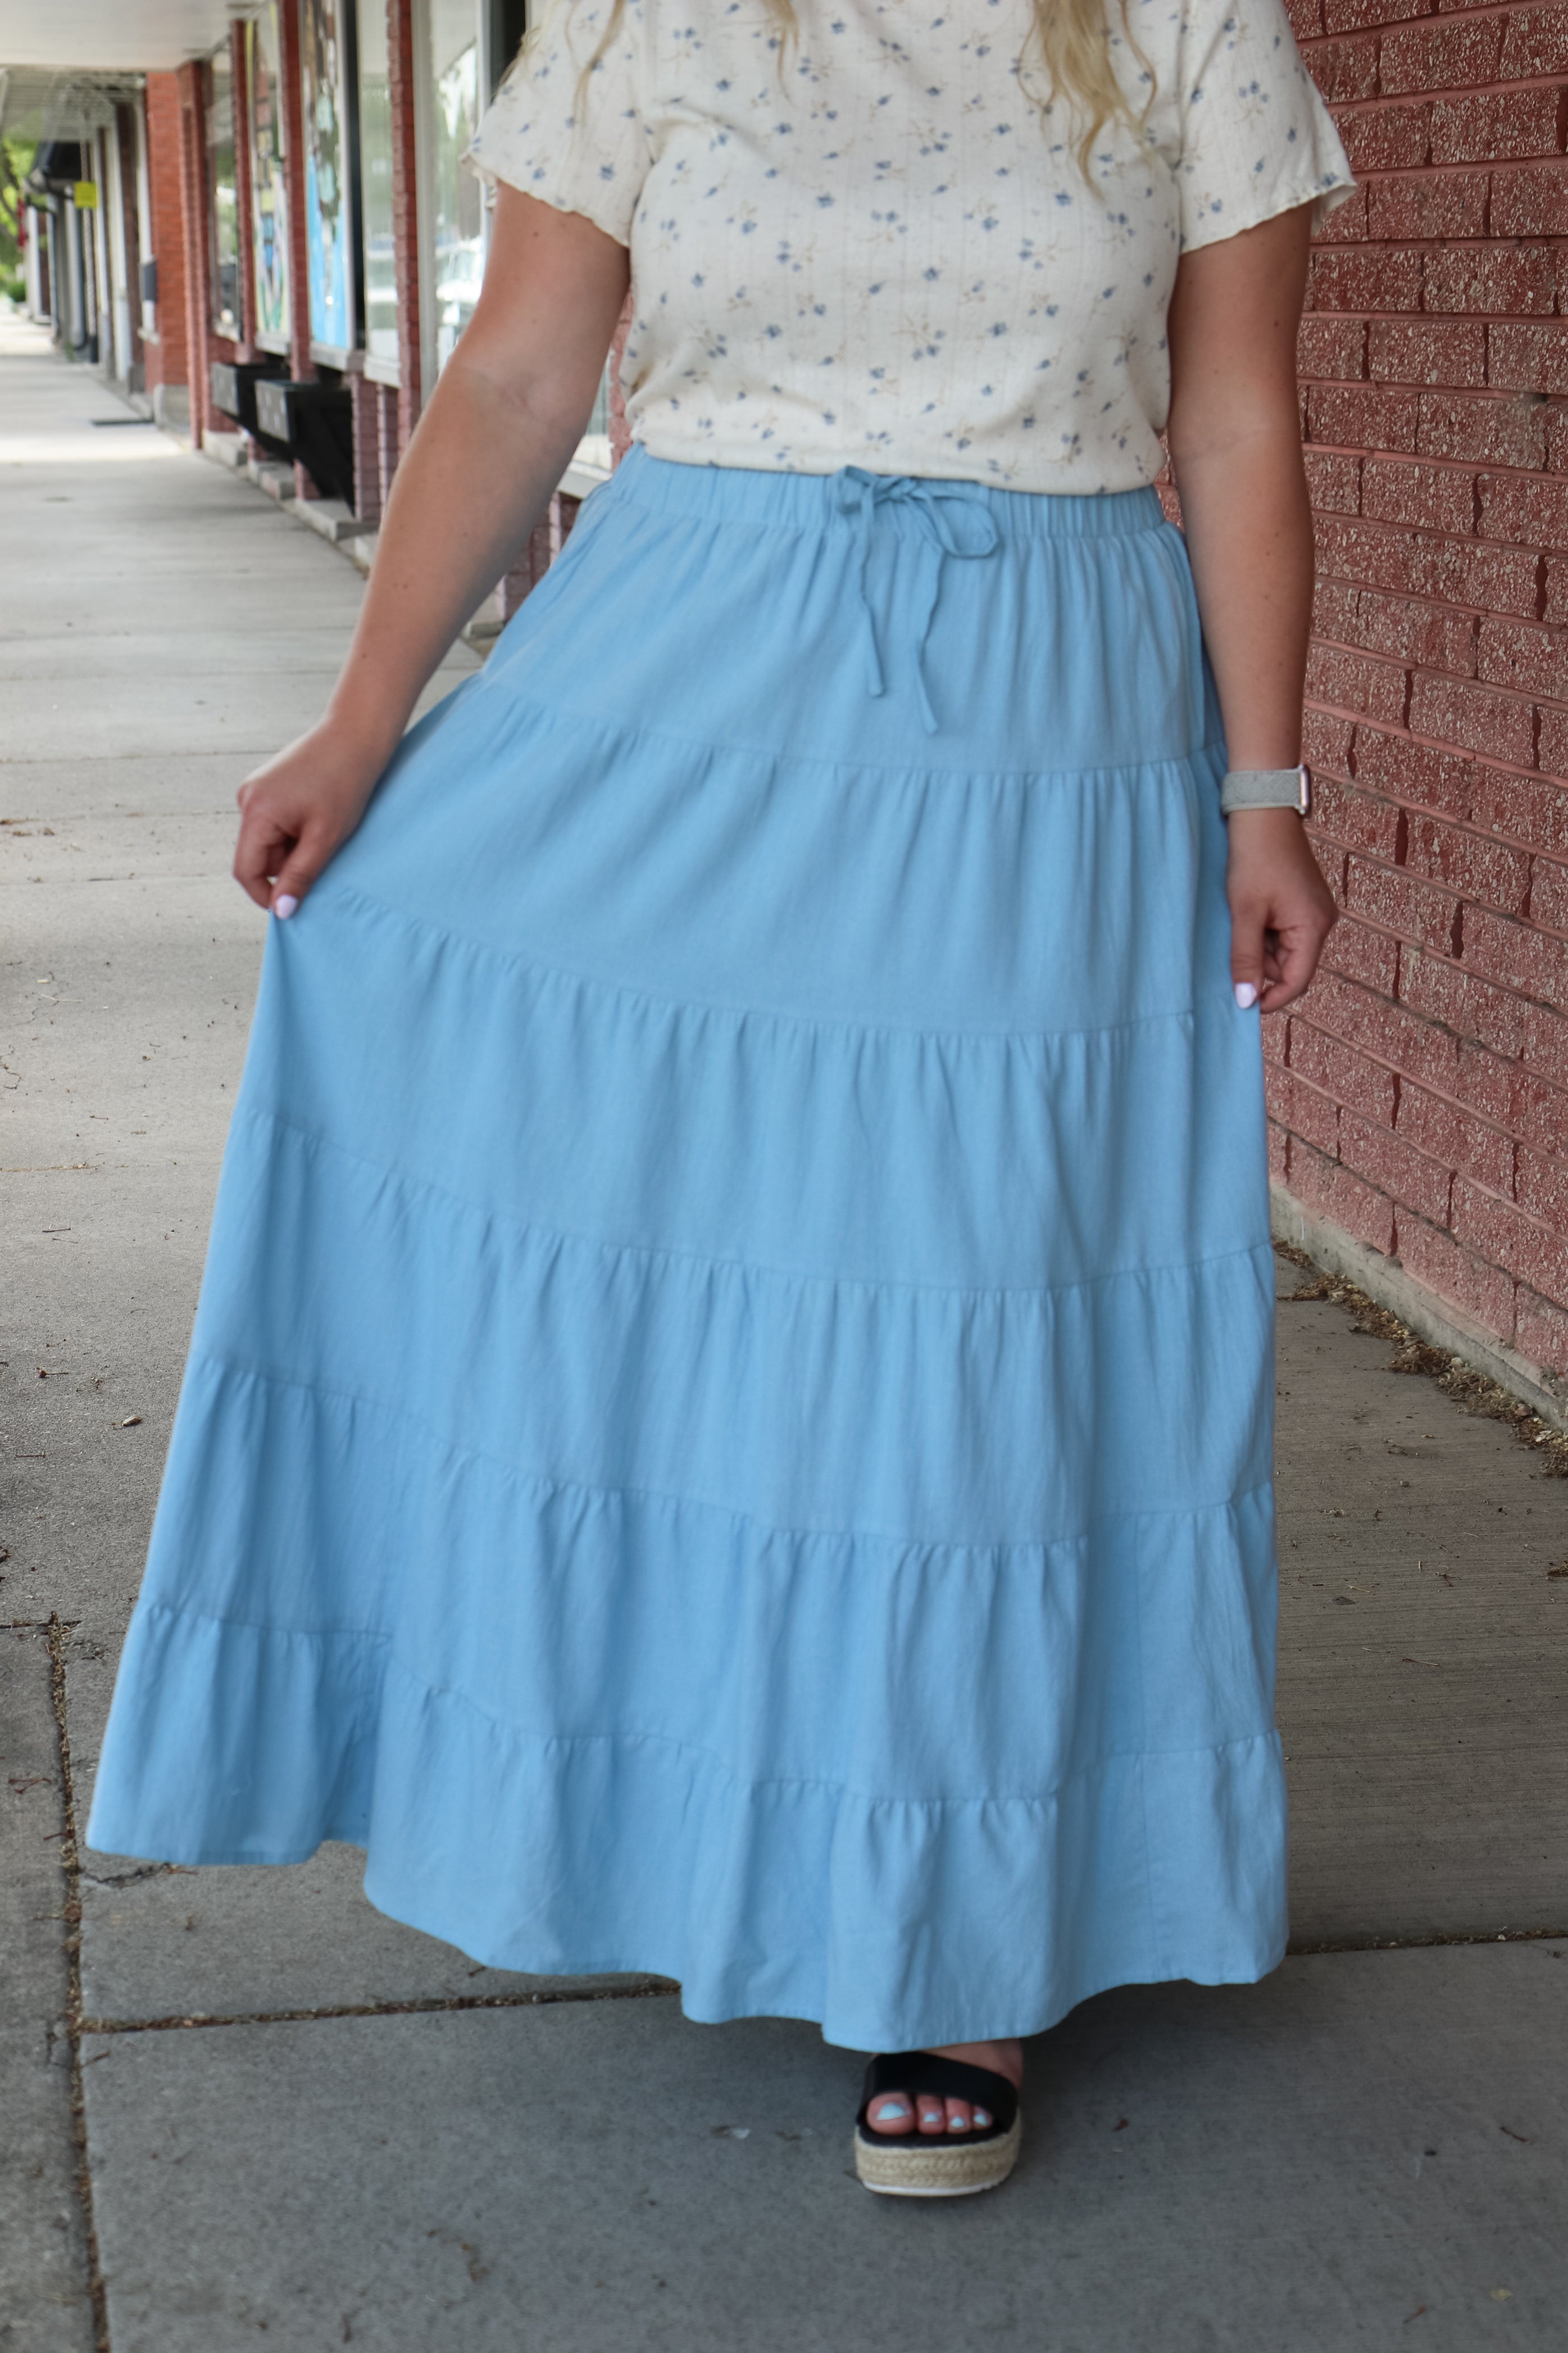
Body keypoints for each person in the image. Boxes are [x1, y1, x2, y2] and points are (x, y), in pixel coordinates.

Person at [88, 0, 1350, 2198]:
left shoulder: (1177, 21)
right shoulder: (640, 18)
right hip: (684, 661)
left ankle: (945, 1935)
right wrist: (359, 730)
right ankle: (666, 1817)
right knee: (671, 1272)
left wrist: (1262, 789)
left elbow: (1234, 416)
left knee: (961, 1329)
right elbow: (512, 377)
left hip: (1037, 716)